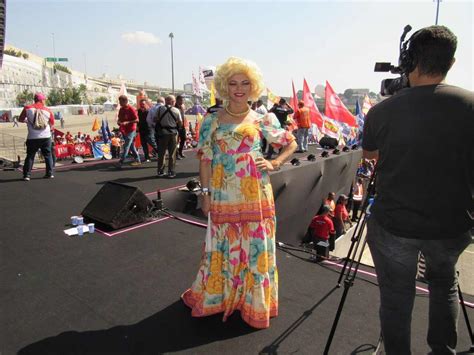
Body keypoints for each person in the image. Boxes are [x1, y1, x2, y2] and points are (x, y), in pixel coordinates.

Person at [362, 26, 472, 354]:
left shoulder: (382, 110)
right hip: (452, 226)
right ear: (451, 62)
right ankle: (443, 350)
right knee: (445, 286)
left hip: (395, 226)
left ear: (409, 61)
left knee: (396, 299)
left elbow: (372, 157)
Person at [182, 57, 297, 329]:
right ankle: (219, 297)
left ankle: (252, 302)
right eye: (233, 83)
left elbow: (289, 143)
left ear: (253, 86)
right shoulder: (210, 121)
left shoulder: (263, 118)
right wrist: (206, 193)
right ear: (224, 86)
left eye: (245, 83)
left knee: (255, 249)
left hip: (256, 192)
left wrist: (275, 163)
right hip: (222, 193)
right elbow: (205, 160)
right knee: (222, 245)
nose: (239, 88)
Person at [18, 92, 55, 180]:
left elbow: (20, 119)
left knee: (30, 156)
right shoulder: (48, 110)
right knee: (48, 155)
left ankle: (27, 175)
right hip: (46, 136)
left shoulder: (27, 108)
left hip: (32, 137)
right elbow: (52, 124)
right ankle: (49, 173)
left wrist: (28, 121)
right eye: (44, 100)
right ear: (41, 100)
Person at [153, 95, 182, 178]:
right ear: (173, 102)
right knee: (172, 153)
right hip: (173, 133)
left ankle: (160, 171)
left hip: (162, 133)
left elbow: (155, 119)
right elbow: (180, 123)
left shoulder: (159, 109)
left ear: (166, 101)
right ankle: (171, 171)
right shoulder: (176, 110)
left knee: (161, 153)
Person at [117, 95, 141, 167]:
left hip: (131, 130)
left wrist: (128, 122)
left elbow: (137, 120)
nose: (119, 103)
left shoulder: (131, 109)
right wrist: (119, 121)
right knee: (131, 146)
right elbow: (120, 119)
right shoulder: (121, 109)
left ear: (125, 101)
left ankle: (121, 162)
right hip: (124, 130)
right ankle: (137, 160)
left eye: (120, 101)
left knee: (126, 146)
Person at [175, 95, 187, 160]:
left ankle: (180, 151)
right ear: (177, 100)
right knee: (176, 141)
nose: (182, 101)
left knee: (183, 138)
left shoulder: (182, 107)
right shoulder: (174, 107)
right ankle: (176, 154)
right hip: (176, 127)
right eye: (181, 100)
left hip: (182, 126)